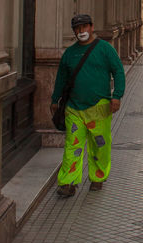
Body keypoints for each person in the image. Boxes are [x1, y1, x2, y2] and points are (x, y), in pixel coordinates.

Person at [50, 14, 125, 196]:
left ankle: (97, 177)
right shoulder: (70, 53)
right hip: (74, 108)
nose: (81, 31)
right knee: (72, 145)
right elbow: (61, 79)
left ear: (91, 27)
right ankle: (68, 182)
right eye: (77, 28)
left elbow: (119, 71)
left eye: (84, 27)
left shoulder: (105, 49)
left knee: (100, 145)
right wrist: (55, 100)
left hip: (100, 107)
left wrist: (117, 96)